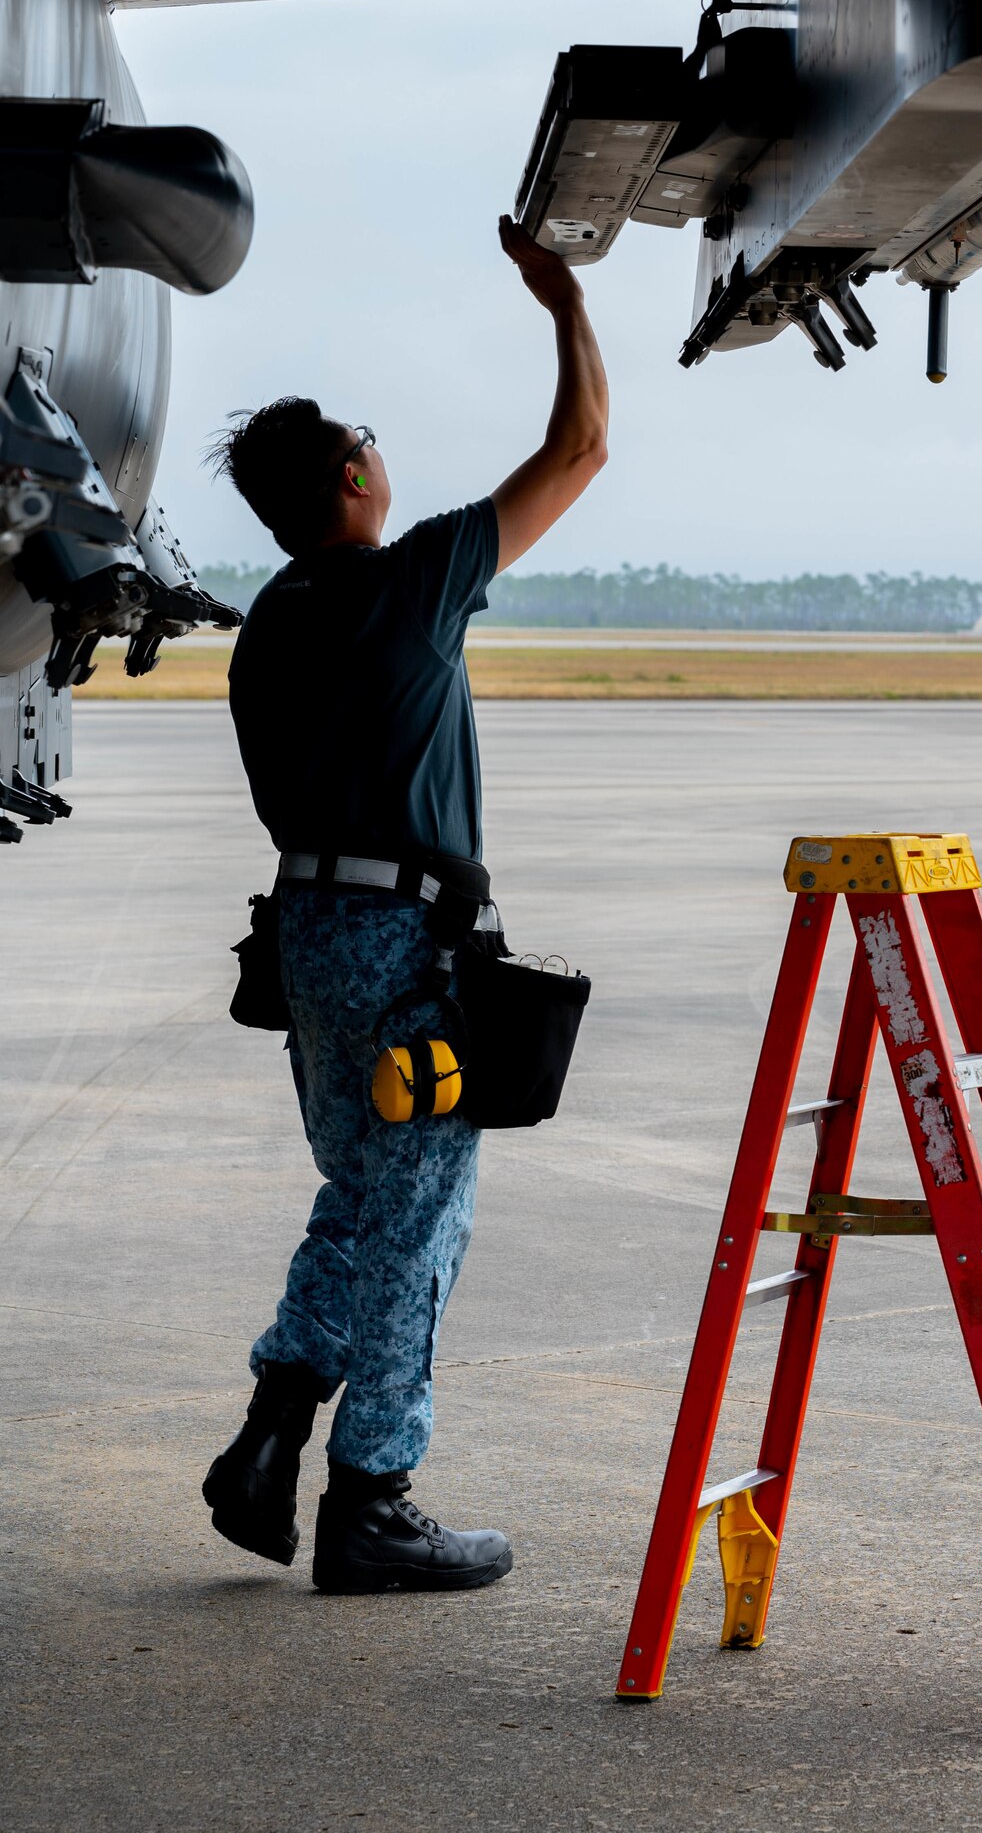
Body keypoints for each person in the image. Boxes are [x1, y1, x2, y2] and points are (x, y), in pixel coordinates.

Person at [201, 219, 607, 1593]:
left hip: (306, 939)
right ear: (359, 475)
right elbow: (581, 451)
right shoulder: (413, 583)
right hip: (393, 943)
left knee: (358, 1191)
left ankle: (269, 1441)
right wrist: (566, 308)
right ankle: (371, 1496)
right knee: (422, 1210)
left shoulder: (269, 625)